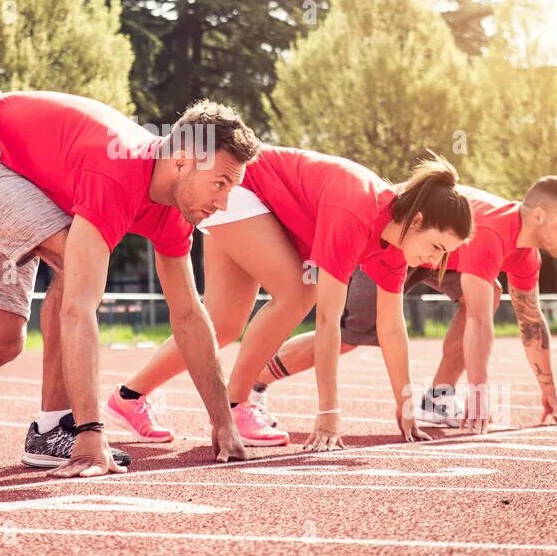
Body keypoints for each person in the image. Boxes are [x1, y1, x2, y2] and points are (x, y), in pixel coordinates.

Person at [0, 91, 261, 477]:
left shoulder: (173, 210)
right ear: (183, 161)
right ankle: (57, 425)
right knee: (75, 263)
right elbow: (78, 306)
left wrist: (223, 422)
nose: (222, 202)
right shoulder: (116, 172)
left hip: (28, 177)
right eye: (220, 184)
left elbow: (188, 314)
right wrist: (92, 433)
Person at [107, 151, 474, 449]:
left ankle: (128, 396)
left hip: (256, 204)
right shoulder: (357, 208)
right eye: (437, 247)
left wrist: (405, 404)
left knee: (223, 322)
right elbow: (327, 321)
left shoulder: (393, 248)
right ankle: (236, 404)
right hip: (239, 188)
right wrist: (328, 410)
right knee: (299, 293)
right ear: (418, 219)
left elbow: (392, 329)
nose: (433, 262)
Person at [252, 177, 557, 434]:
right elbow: (476, 319)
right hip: (397, 242)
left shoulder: (525, 256)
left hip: (438, 256)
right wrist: (479, 395)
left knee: (488, 292)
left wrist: (549, 392)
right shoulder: (492, 232)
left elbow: (531, 321)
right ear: (537, 216)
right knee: (353, 336)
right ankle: (252, 383)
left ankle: (438, 399)